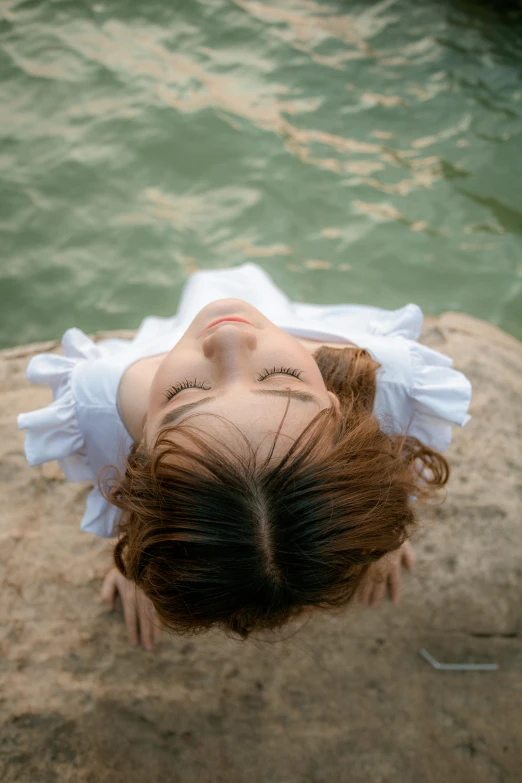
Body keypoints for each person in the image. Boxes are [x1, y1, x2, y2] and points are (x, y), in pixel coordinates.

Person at [18, 263, 472, 650]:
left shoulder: (102, 405)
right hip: (273, 323)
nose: (230, 336)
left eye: (185, 395)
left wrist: (143, 560)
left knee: (229, 294)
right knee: (235, 291)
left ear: (139, 455)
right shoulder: (385, 377)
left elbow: (123, 489)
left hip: (240, 329)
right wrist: (370, 526)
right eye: (280, 377)